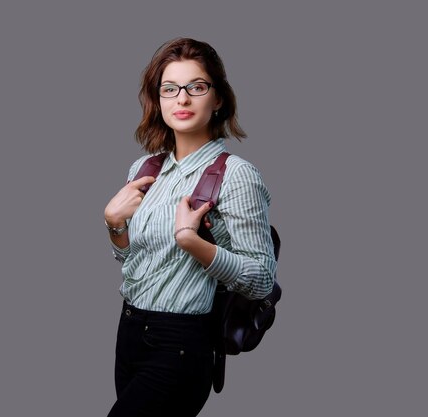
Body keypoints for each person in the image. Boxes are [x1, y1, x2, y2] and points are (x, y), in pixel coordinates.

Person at [104, 37, 277, 417]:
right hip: (129, 331)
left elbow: (263, 279)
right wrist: (115, 226)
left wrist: (192, 242)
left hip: (181, 343)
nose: (181, 99)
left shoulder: (236, 175)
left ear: (217, 99)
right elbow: (135, 262)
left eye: (196, 87)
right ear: (158, 99)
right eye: (169, 89)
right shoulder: (145, 170)